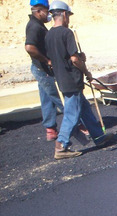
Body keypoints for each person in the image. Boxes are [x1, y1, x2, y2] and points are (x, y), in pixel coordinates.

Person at [45, 0, 113, 159]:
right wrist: (86, 71)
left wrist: (76, 58)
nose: (68, 18)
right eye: (68, 15)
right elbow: (74, 59)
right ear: (63, 14)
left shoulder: (49, 35)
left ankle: (99, 137)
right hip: (72, 80)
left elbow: (60, 58)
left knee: (85, 109)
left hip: (62, 79)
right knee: (72, 114)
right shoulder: (66, 33)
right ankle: (61, 145)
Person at [25, 0, 64, 141]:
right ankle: (78, 125)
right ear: (39, 11)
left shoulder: (38, 25)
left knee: (47, 99)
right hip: (42, 69)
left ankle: (50, 129)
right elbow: (30, 48)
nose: (48, 14)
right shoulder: (34, 26)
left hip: (40, 69)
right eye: (47, 11)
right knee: (59, 99)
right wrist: (47, 60)